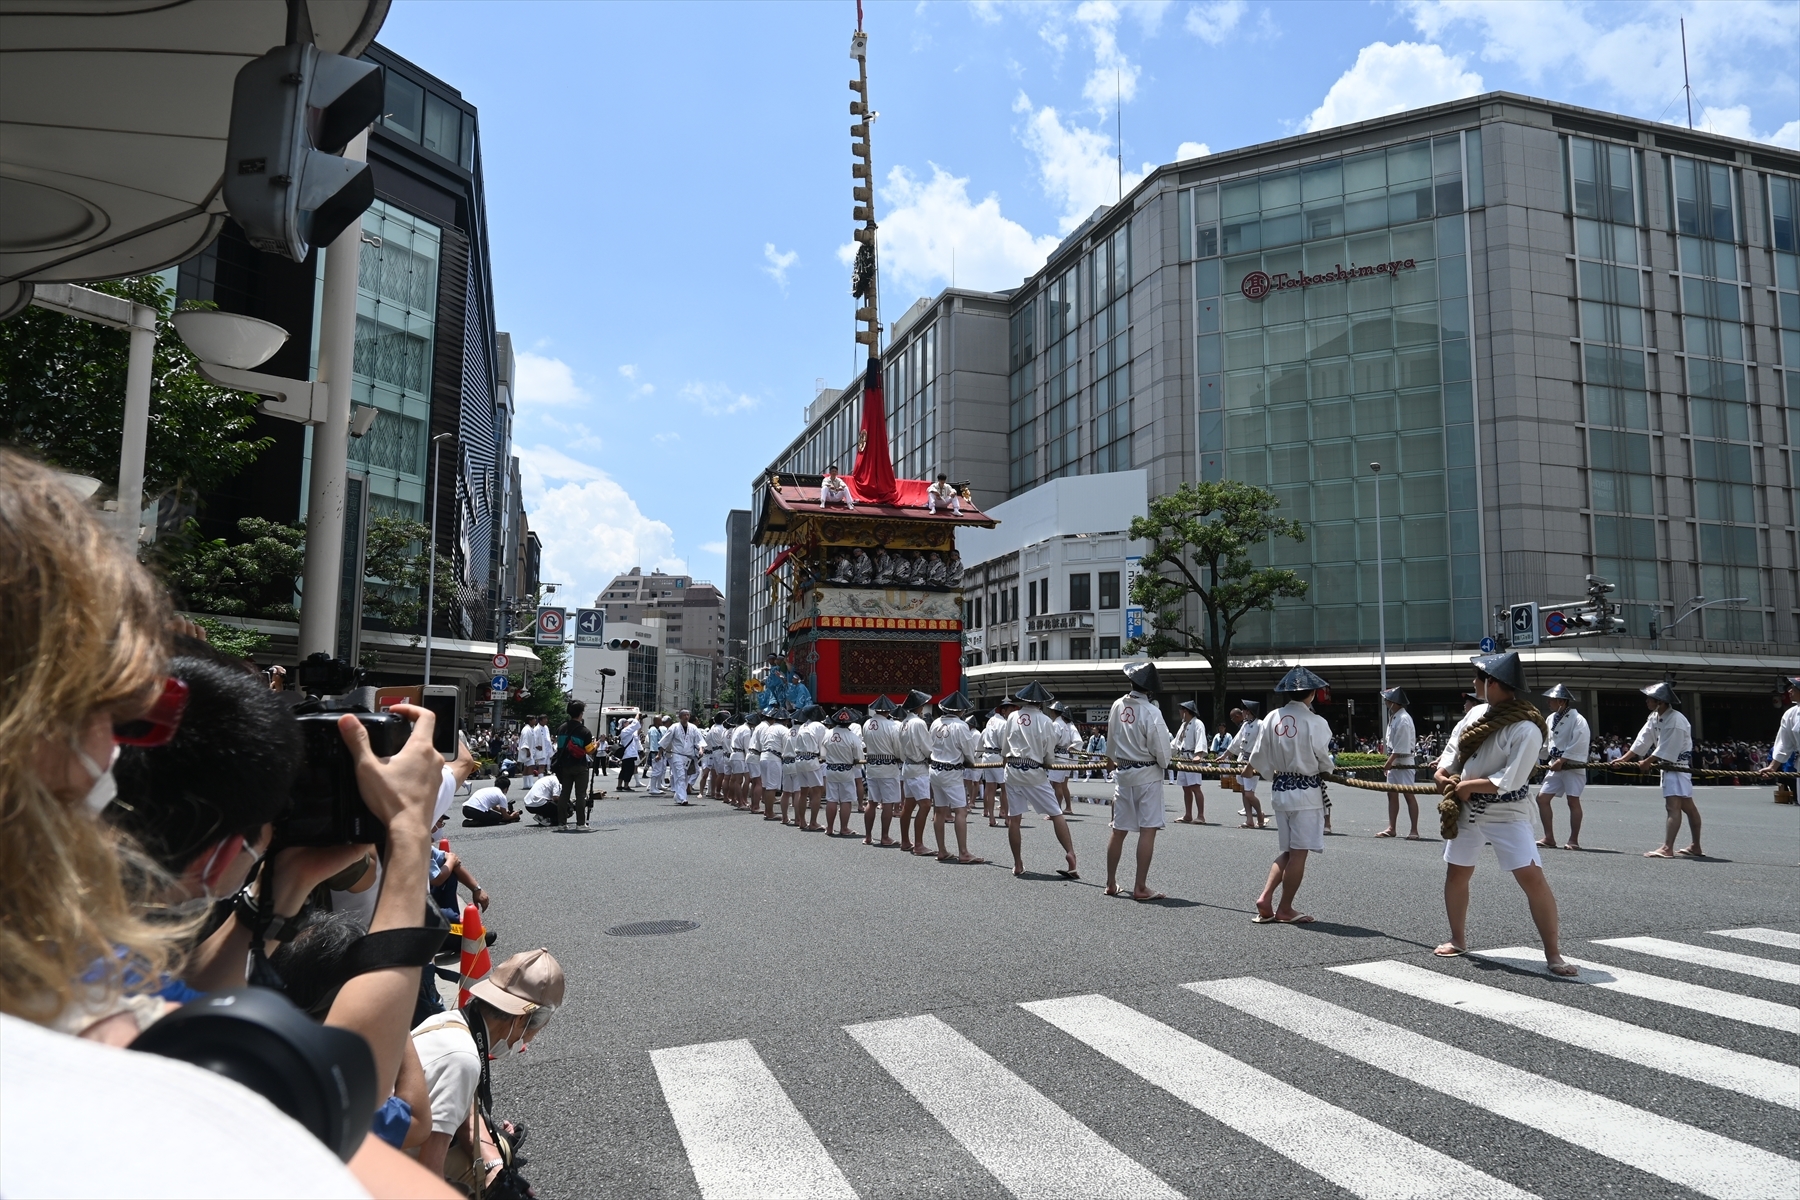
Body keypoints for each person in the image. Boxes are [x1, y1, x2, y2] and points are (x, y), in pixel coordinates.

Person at [1433, 652, 1577, 976]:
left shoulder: (1527, 727)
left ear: (1493, 683)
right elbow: (1452, 753)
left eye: (1478, 678)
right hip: (1468, 806)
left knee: (1532, 877)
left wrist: (1467, 786)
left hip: (1507, 810)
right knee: (1456, 873)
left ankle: (1553, 954)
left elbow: (1510, 779)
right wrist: (1443, 774)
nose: (1473, 683)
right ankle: (1457, 939)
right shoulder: (1474, 716)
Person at [411, 948, 563, 1188]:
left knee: (497, 1150)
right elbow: (430, 1170)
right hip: (372, 1171)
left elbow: (460, 1112)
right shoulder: (462, 1058)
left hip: (362, 1146)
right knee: (481, 1179)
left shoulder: (447, 1022)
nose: (529, 1040)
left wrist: (495, 1166)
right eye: (535, 1031)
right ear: (521, 1019)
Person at [1248, 667, 1335, 924]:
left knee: (1287, 850)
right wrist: (1327, 769)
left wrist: (1272, 773)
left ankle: (1265, 897)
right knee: (1299, 853)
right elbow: (1322, 757)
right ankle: (1285, 908)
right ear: (1311, 694)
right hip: (1306, 792)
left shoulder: (1272, 717)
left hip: (1280, 789)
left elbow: (1258, 757)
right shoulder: (1317, 722)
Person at [1002, 681, 1080, 880]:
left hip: (1012, 769)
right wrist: (1048, 762)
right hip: (1033, 770)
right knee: (1055, 812)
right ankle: (1070, 853)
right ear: (1041, 703)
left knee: (1015, 818)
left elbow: (1005, 746)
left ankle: (1017, 863)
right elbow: (1048, 751)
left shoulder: (1012, 716)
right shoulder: (1045, 720)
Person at [1612, 682, 1700, 858]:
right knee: (1688, 807)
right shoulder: (1655, 717)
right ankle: (1695, 846)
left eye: (1649, 699)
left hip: (1677, 767)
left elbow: (1668, 747)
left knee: (1673, 806)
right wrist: (1624, 759)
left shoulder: (1676, 720)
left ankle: (1668, 848)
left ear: (1660, 701)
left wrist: (1648, 761)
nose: (1646, 701)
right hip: (1669, 766)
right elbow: (1642, 740)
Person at [1106, 663, 1171, 900]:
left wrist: (1111, 760)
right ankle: (1140, 886)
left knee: (1118, 829)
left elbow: (1110, 738)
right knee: (1148, 829)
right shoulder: (1152, 712)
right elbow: (1162, 751)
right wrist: (1164, 763)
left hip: (1123, 775)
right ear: (1150, 690)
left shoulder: (1117, 705)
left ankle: (1111, 882)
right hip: (1147, 775)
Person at [928, 692, 985, 863]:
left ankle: (942, 850)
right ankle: (964, 852)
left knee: (939, 809)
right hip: (951, 771)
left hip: (935, 768)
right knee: (960, 810)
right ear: (961, 711)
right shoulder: (961, 726)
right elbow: (968, 750)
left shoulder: (936, 723)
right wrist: (970, 761)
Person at [1536, 684, 1592, 850]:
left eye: (1551, 700)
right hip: (1554, 764)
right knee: (1542, 798)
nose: (1548, 703)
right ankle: (1549, 837)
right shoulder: (1550, 718)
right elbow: (1546, 742)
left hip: (1572, 765)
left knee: (1573, 801)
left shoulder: (1578, 719)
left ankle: (1573, 840)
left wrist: (1563, 759)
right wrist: (1538, 757)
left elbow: (1580, 741)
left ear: (1561, 701)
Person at [1376, 687, 1420, 839]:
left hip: (1404, 760)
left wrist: (1389, 762)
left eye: (1387, 700)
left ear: (1394, 702)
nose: (1386, 702)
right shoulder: (1395, 717)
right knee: (1391, 794)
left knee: (1409, 794)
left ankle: (1414, 829)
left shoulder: (1403, 719)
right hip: (1395, 760)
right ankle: (1391, 827)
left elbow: (1402, 746)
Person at [861, 696, 905, 845]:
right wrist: (900, 757)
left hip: (872, 765)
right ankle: (885, 836)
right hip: (887, 766)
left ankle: (868, 836)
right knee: (888, 803)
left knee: (872, 801)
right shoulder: (892, 725)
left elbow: (865, 744)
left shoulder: (867, 723)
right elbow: (898, 747)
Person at [898, 690, 935, 854]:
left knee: (909, 805)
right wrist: (932, 756)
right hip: (918, 766)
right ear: (919, 707)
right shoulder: (919, 723)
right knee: (925, 805)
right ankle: (919, 844)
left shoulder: (904, 722)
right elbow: (926, 747)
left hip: (907, 765)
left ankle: (905, 840)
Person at [822, 708, 864, 837]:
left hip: (830, 768)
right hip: (846, 769)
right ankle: (844, 828)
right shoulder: (853, 737)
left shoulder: (828, 734)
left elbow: (823, 754)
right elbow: (858, 758)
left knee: (831, 799)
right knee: (846, 800)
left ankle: (829, 828)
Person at [553, 701, 595, 828]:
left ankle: (561, 823)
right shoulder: (584, 731)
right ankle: (580, 823)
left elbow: (559, 747)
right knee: (580, 794)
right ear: (580, 713)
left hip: (564, 766)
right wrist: (596, 746)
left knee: (564, 794)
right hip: (580, 765)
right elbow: (589, 751)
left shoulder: (561, 728)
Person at [1760, 675, 1800, 804]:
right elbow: (1784, 743)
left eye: (1794, 688)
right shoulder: (1791, 714)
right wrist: (1773, 767)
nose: (1790, 691)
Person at [1228, 701, 1266, 829]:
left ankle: (1260, 814)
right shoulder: (1245, 725)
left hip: (1253, 761)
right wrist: (1224, 755)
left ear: (1248, 711)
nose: (1242, 712)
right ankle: (1249, 819)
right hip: (1242, 759)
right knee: (1244, 791)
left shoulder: (1260, 724)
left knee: (1249, 793)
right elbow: (1236, 742)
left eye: (1244, 710)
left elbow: (1263, 743)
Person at [978, 695, 1013, 827]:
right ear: (1003, 711)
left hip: (987, 755)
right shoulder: (1004, 723)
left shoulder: (990, 721)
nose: (1011, 714)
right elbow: (1004, 744)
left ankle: (991, 818)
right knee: (1005, 788)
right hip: (998, 755)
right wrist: (1006, 758)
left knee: (990, 787)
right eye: (1009, 711)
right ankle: (1006, 816)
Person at [1171, 700, 1208, 824]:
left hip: (1192, 758)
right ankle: (1188, 815)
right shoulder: (1184, 725)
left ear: (1186, 711)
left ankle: (1201, 815)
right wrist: (1166, 753)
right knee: (1186, 788)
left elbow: (1201, 740)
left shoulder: (1198, 723)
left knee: (1195, 787)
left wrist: (1199, 755)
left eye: (1181, 710)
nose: (1180, 713)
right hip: (1183, 758)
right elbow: (1176, 743)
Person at [664, 710, 706, 806]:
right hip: (677, 754)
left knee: (686, 777)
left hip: (688, 756)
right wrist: (659, 753)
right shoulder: (674, 727)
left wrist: (700, 749)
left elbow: (699, 740)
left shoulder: (693, 728)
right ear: (680, 717)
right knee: (680, 776)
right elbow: (666, 740)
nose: (686, 717)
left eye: (688, 715)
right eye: (684, 715)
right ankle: (683, 798)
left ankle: (678, 795)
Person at [757, 707, 790, 822]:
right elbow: (787, 746)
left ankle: (767, 810)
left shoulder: (769, 728)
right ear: (785, 720)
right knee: (772, 787)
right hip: (774, 758)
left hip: (764, 756)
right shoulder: (784, 730)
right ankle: (769, 812)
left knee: (766, 785)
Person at [1047, 702, 1077, 814]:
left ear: (1054, 712)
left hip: (1058, 755)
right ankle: (1058, 808)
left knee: (1056, 784)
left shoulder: (1056, 724)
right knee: (1059, 783)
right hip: (1064, 755)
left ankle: (1056, 810)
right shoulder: (1064, 724)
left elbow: (1053, 741)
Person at [729, 711, 757, 809]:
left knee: (739, 780)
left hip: (736, 754)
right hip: (740, 755)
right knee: (739, 780)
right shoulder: (746, 730)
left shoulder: (740, 728)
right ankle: (740, 802)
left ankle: (741, 801)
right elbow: (747, 746)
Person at [616, 714, 642, 792]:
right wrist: (637, 716)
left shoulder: (624, 731)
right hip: (629, 754)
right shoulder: (625, 730)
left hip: (626, 755)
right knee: (629, 770)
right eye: (627, 722)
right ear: (624, 724)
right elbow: (635, 724)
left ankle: (619, 785)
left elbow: (636, 728)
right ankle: (626, 786)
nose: (628, 723)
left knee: (623, 770)